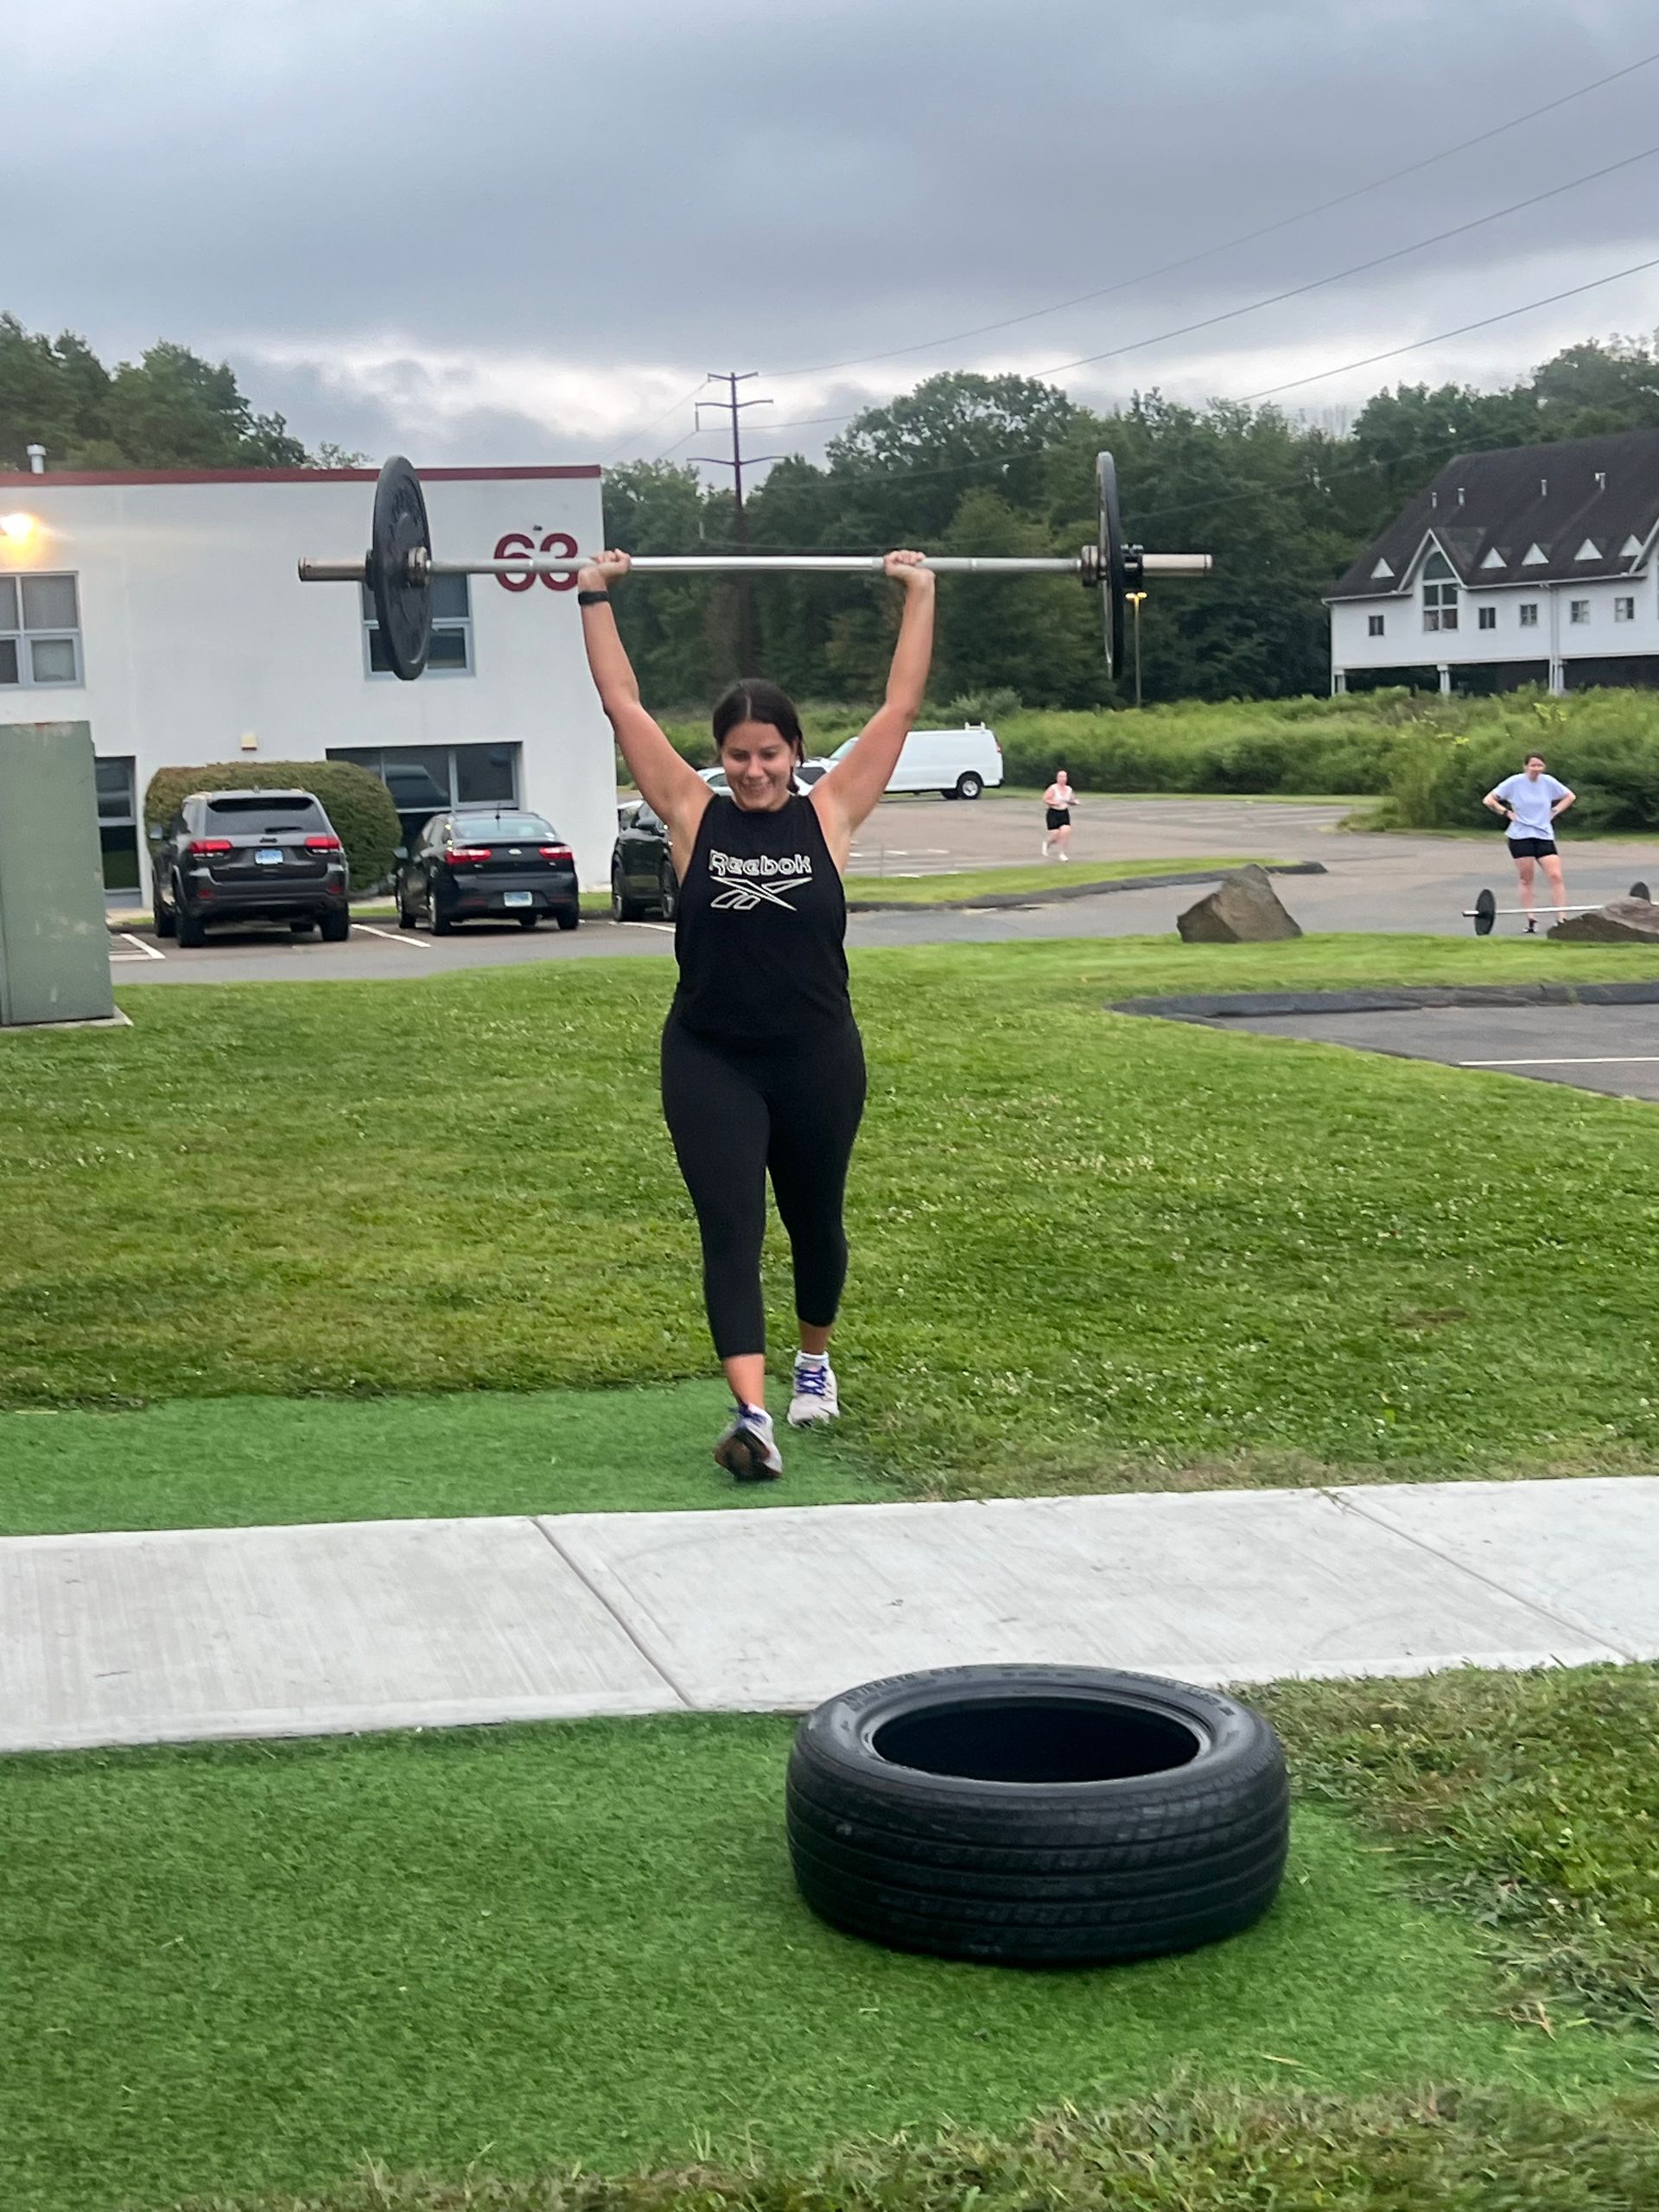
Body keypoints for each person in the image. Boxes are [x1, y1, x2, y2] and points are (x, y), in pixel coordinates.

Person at [576, 546, 936, 1482]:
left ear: (795, 751)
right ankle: (751, 1412)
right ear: (721, 757)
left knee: (815, 1222)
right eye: (738, 755)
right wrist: (591, 594)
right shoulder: (692, 813)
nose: (753, 770)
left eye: (769, 753)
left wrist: (919, 593)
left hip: (817, 1055)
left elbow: (898, 709)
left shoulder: (832, 814)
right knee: (731, 1226)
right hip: (711, 1057)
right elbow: (624, 705)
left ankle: (814, 1359)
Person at [1483, 752, 1576, 931]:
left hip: (1543, 835)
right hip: (1520, 836)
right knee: (1527, 879)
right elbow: (1489, 799)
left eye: (1539, 766)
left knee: (1556, 876)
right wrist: (1506, 813)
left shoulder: (1548, 782)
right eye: (1533, 765)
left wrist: (1555, 811)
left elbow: (1570, 796)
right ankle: (1531, 920)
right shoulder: (1515, 782)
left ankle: (1562, 918)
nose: (1536, 769)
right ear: (1526, 766)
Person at [1043, 769, 1076, 860]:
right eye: (1060, 777)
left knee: (1066, 831)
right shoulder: (1053, 788)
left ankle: (1062, 853)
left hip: (1064, 813)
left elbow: (1071, 800)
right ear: (1057, 778)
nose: (1062, 779)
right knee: (1055, 835)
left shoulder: (1069, 789)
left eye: (1064, 777)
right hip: (1053, 813)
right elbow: (1045, 799)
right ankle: (1047, 843)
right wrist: (1055, 803)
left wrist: (1074, 802)